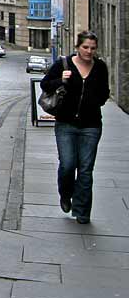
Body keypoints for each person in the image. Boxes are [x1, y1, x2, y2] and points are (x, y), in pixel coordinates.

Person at [39, 31, 109, 224]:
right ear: (78, 47)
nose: (89, 51)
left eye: (93, 48)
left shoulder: (100, 67)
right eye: (85, 47)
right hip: (66, 123)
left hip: (91, 125)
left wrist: (93, 99)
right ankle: (65, 194)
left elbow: (105, 93)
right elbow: (45, 84)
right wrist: (61, 80)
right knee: (68, 165)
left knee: (86, 169)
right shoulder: (65, 64)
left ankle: (82, 211)